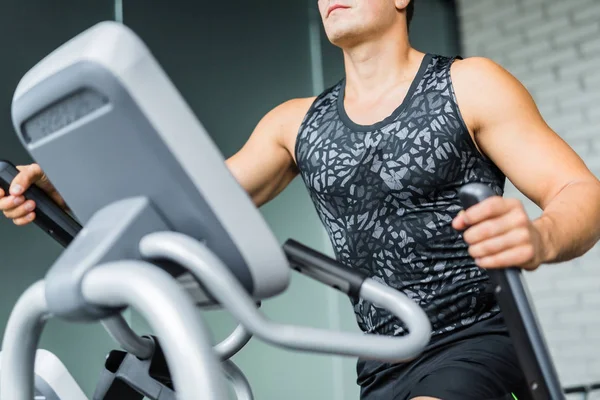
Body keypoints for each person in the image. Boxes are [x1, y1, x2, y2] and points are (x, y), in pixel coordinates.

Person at [2, 1, 600, 399]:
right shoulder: (294, 124)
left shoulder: (470, 84)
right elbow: (179, 207)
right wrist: (72, 192)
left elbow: (579, 192)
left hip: (476, 344)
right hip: (379, 360)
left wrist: (540, 236)